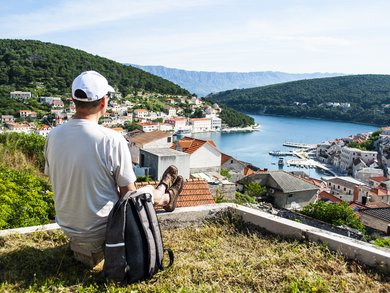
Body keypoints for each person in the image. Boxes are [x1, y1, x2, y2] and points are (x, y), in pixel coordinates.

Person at [44, 70, 183, 268]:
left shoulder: (53, 135)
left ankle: (162, 191)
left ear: (73, 100)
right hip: (102, 230)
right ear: (103, 102)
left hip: (67, 226)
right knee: (144, 192)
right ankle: (165, 196)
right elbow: (128, 194)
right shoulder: (111, 139)